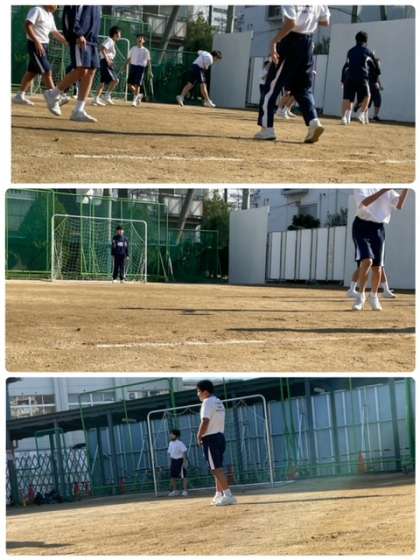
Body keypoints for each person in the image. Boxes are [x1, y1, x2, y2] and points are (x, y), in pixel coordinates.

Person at [256, 5, 330, 142]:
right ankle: (313, 122)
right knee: (302, 88)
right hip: (308, 43)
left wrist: (275, 40)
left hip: (290, 41)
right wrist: (308, 19)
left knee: (271, 87)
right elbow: (325, 22)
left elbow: (291, 23)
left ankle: (267, 129)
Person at [351, 189, 409, 311]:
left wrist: (406, 188)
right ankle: (360, 297)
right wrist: (384, 189)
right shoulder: (361, 187)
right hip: (361, 226)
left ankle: (374, 296)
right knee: (367, 261)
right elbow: (364, 203)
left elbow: (399, 205)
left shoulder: (389, 190)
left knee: (377, 267)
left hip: (378, 229)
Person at [43, 5, 102, 122]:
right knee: (81, 70)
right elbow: (70, 14)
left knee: (91, 71)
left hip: (92, 39)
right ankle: (53, 94)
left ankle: (79, 110)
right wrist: (77, 34)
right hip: (80, 38)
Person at [13, 6, 67, 111]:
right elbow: (27, 25)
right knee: (47, 70)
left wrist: (66, 42)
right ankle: (54, 97)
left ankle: (19, 96)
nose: (57, 5)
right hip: (35, 45)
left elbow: (55, 32)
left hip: (44, 46)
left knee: (32, 72)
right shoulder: (37, 10)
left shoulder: (50, 15)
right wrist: (36, 41)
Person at [196, 380, 236, 507]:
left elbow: (205, 421)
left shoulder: (207, 402)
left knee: (216, 469)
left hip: (210, 438)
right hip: (220, 436)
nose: (198, 394)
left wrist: (199, 435)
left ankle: (228, 495)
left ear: (205, 392)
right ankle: (218, 494)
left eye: (198, 391)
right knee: (217, 467)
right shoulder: (219, 402)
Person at [341, 31, 375, 126]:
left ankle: (343, 118)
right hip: (362, 77)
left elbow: (346, 65)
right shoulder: (368, 52)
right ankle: (361, 114)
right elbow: (374, 66)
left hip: (349, 77)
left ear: (356, 40)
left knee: (346, 98)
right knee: (367, 95)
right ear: (366, 41)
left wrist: (342, 79)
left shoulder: (350, 51)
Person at [94, 26, 122, 106]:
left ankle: (96, 99)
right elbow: (102, 48)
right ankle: (107, 96)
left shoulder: (112, 42)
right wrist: (108, 60)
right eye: (119, 34)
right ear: (115, 34)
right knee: (115, 80)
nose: (120, 36)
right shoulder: (110, 40)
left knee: (102, 82)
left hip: (105, 62)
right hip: (105, 62)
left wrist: (110, 61)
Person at [126, 35, 151, 107]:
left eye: (141, 38)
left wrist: (149, 71)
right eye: (138, 38)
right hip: (133, 67)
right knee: (129, 85)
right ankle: (138, 95)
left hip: (141, 68)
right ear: (136, 40)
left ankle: (134, 101)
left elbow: (148, 61)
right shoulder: (133, 48)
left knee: (137, 84)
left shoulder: (146, 50)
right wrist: (125, 66)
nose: (140, 39)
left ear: (143, 41)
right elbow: (129, 58)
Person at [167, 429, 189, 497]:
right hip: (173, 461)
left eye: (172, 434)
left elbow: (184, 452)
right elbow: (170, 453)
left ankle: (185, 491)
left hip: (180, 461)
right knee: (173, 476)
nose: (170, 435)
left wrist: (184, 462)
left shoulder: (180, 443)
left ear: (176, 435)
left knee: (183, 476)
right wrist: (170, 462)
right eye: (170, 434)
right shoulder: (170, 443)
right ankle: (175, 491)